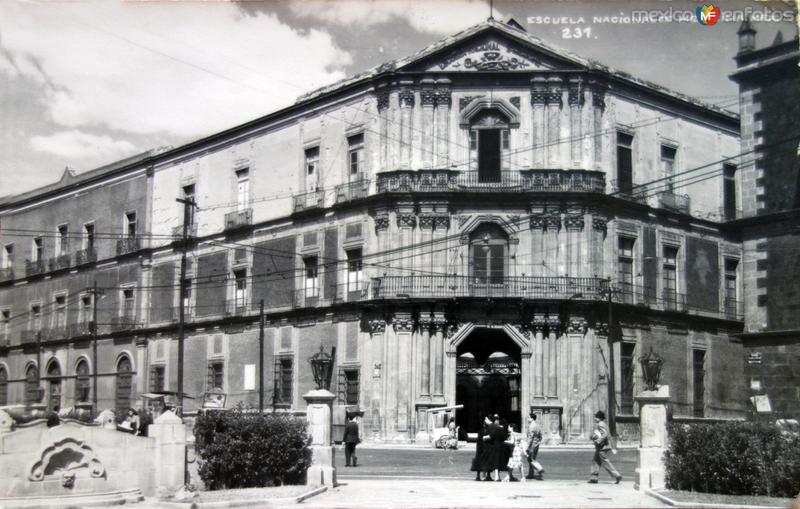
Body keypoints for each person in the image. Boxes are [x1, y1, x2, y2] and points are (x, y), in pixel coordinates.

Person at [588, 410, 622, 484]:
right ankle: (594, 478)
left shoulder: (600, 424)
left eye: (596, 417)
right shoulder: (603, 424)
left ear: (599, 418)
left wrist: (598, 441)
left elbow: (605, 434)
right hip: (603, 446)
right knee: (595, 461)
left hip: (602, 447)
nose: (595, 419)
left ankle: (617, 475)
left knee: (605, 462)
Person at [472, 415, 492, 481]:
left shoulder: (481, 431)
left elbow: (478, 440)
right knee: (487, 462)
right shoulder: (488, 430)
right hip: (486, 448)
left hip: (481, 448)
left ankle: (479, 476)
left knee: (480, 462)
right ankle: (487, 475)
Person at [526, 412, 544, 480]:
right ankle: (531, 474)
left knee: (530, 459)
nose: (527, 419)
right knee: (532, 459)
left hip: (532, 445)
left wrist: (527, 446)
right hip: (536, 445)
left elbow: (530, 437)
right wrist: (538, 443)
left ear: (532, 418)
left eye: (528, 417)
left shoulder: (531, 426)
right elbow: (540, 436)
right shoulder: (537, 426)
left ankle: (539, 468)